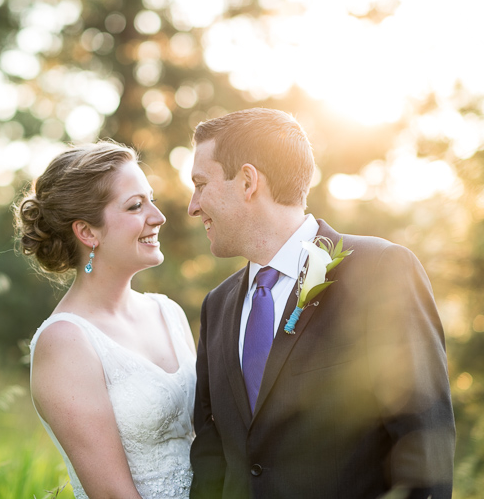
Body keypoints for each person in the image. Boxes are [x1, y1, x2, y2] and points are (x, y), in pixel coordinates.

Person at [186, 108, 455, 499]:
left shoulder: (380, 270)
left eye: (200, 184)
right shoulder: (218, 305)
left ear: (247, 181)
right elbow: (213, 456)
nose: (193, 206)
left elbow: (423, 445)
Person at [16, 141, 197, 499]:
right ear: (87, 232)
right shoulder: (65, 341)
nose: (157, 217)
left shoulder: (168, 312)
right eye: (135, 206)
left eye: (152, 199)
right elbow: (113, 495)